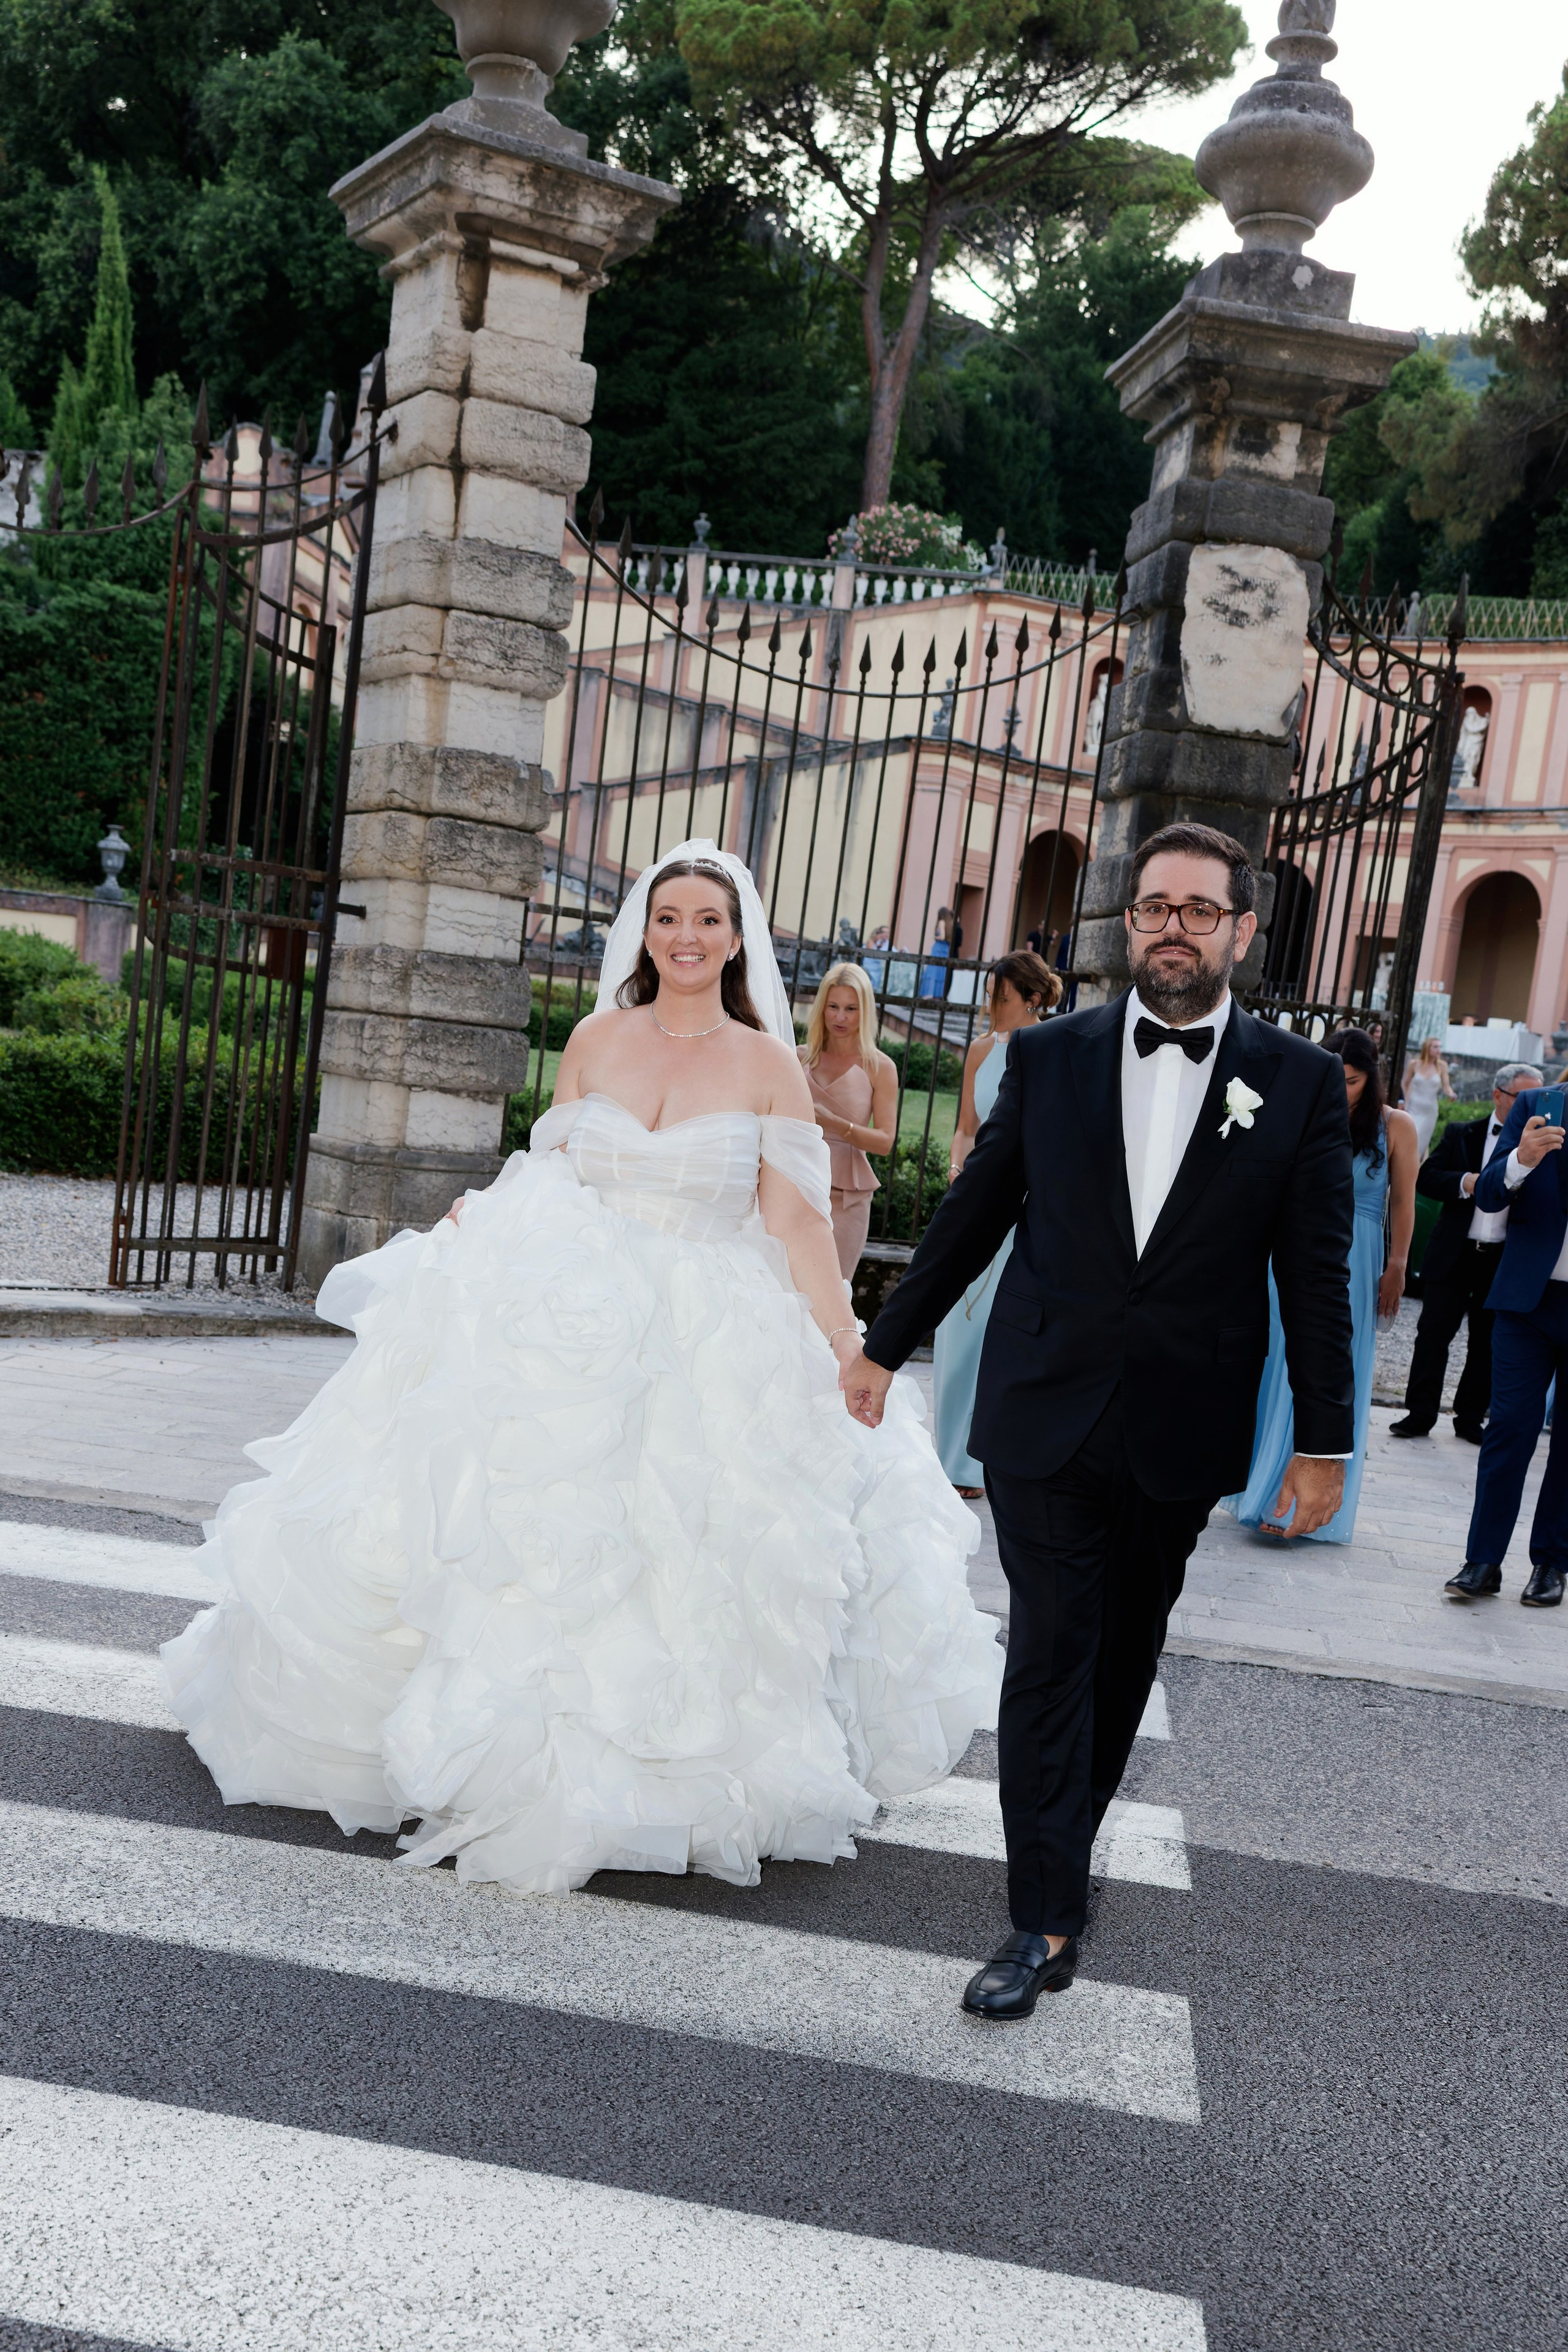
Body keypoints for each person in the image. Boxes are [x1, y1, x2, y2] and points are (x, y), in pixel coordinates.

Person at [162, 840, 1002, 1894]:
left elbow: (791, 1221)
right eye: (667, 919)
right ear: (644, 934)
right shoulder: (596, 1039)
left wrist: (850, 1347)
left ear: (737, 938)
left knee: (681, 1543)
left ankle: (656, 1767)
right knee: (513, 1523)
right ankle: (480, 1733)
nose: (686, 937)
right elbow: (552, 1168)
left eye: (706, 919)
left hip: (705, 1320)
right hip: (572, 1308)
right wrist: (490, 1214)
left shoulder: (764, 1064)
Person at [838, 821, 1355, 2020]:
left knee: (1120, 1657)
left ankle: (1061, 1858)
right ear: (1128, 924)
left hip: (1183, 1420)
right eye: (1151, 906)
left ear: (1237, 930)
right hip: (1042, 1407)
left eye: (1197, 908)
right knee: (1050, 1649)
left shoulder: (1291, 1085)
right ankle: (1041, 1916)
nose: (1171, 925)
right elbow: (971, 1213)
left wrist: (1321, 1442)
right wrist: (879, 1345)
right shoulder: (1054, 1058)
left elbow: (1312, 1276)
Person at [1223, 1028, 1416, 1543]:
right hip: (1289, 1255)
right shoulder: (1300, 1112)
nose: (1343, 1089)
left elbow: (1404, 1203)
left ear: (1370, 1079)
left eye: (1352, 1082)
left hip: (1357, 1262)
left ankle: (1306, 1500)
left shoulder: (1397, 1126)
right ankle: (1261, 1489)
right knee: (1276, 1368)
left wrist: (1397, 1264)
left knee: (1329, 1368)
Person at [933, 951, 1061, 1496]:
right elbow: (966, 1125)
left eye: (1002, 997)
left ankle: (976, 1462)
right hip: (975, 1202)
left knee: (995, 1335)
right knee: (954, 1328)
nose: (992, 1006)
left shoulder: (1056, 1052)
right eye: (991, 995)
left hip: (1028, 1212)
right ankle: (945, 1455)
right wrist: (959, 1165)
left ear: (1032, 1000)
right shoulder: (981, 1050)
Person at [1444, 1073, 1568, 1608]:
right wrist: (1522, 1159)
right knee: (1509, 1428)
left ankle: (1550, 1563)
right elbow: (1491, 1192)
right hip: (1526, 1301)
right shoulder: (1539, 1105)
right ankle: (1483, 1560)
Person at [1390, 1065, 1540, 1444]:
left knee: (1488, 1342)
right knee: (1432, 1335)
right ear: (1498, 1095)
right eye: (1524, 1098)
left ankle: (1470, 1419)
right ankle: (1419, 1414)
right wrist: (1465, 1182)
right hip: (1455, 1253)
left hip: (1502, 1259)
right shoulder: (1463, 1133)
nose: (1533, 1107)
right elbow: (1427, 1177)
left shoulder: (1545, 1148)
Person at [799, 962, 898, 1278]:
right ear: (822, 1008)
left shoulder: (880, 1067)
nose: (840, 1018)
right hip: (795, 1183)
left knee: (833, 1295)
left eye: (851, 1009)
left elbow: (885, 1141)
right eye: (833, 1007)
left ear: (864, 1011)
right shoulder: (798, 1057)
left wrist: (837, 1124)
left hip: (847, 1197)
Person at [1402, 1035, 1455, 1159]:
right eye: (1436, 1047)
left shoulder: (1442, 1066)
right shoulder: (1414, 1064)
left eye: (1440, 1047)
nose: (1439, 1050)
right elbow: (1405, 1083)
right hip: (1413, 1107)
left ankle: (1413, 1170)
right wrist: (1404, 1101)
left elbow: (1446, 1086)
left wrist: (1451, 1094)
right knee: (1409, 1137)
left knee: (1420, 1142)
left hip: (1429, 1111)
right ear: (1428, 1048)